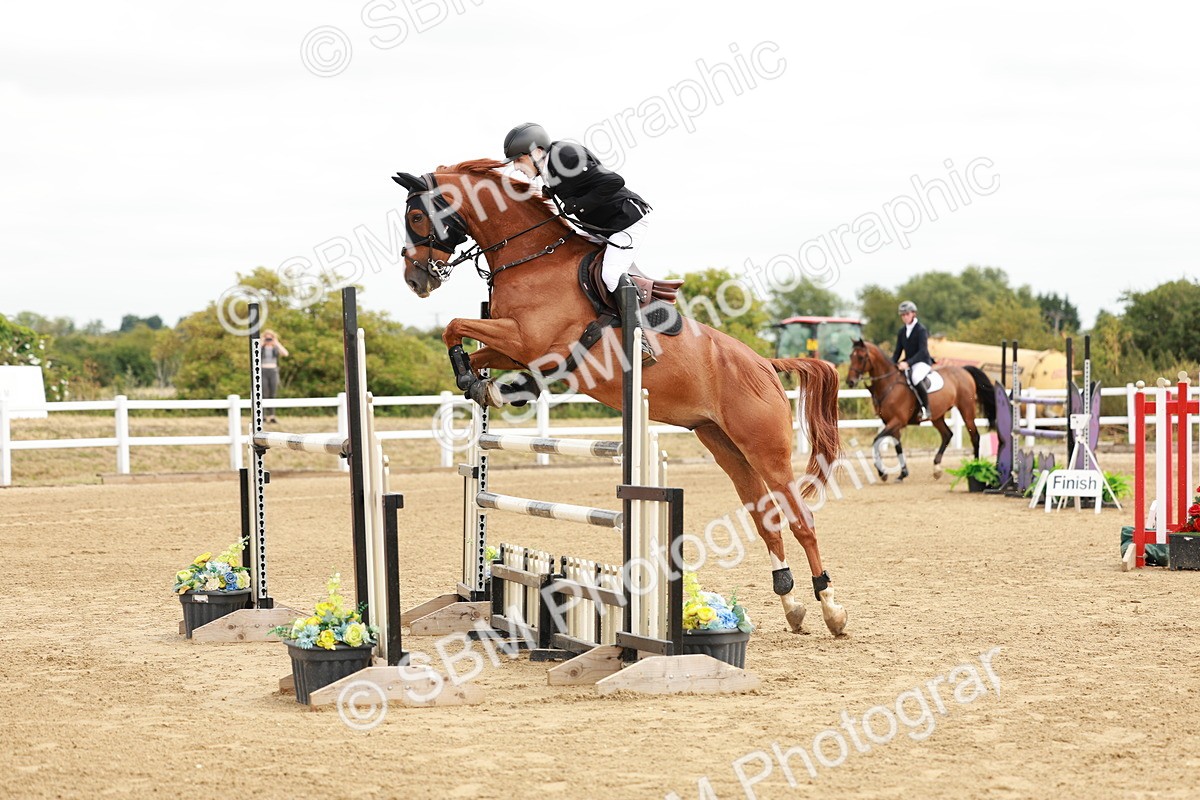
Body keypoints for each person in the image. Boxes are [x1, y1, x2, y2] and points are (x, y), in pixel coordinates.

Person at [502, 122, 657, 364]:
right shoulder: (547, 168)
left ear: (536, 152)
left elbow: (614, 181)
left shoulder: (566, 155)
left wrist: (577, 204)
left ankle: (639, 340)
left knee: (611, 274)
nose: (515, 167)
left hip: (626, 222)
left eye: (518, 160)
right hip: (600, 227)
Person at [893, 300, 932, 420]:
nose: (905, 317)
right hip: (908, 363)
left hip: (922, 362)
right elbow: (898, 351)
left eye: (907, 314)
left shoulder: (921, 330)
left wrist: (908, 363)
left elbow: (923, 351)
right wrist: (891, 364)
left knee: (915, 377)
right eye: (903, 315)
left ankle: (926, 409)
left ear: (913, 314)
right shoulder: (902, 331)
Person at [260, 329, 289, 424]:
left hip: (273, 371)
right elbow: (253, 352)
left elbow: (285, 353)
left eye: (270, 338)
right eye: (267, 338)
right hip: (263, 370)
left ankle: (272, 415)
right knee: (263, 394)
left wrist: (276, 343)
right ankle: (263, 415)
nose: (268, 340)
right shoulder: (261, 347)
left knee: (273, 393)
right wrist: (261, 342)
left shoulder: (275, 348)